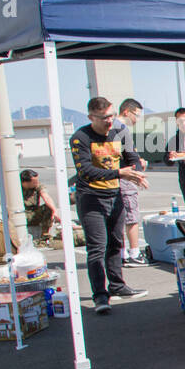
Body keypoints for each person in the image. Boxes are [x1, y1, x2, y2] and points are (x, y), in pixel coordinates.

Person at [69, 97, 149, 314]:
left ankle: (117, 285)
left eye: (112, 116)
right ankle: (100, 296)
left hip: (115, 195)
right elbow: (85, 171)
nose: (109, 121)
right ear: (91, 117)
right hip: (91, 198)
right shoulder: (80, 138)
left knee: (115, 243)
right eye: (104, 118)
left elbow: (131, 158)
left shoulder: (120, 133)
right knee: (97, 248)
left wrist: (136, 172)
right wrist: (120, 172)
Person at [115, 98, 148, 266]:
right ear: (126, 112)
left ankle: (121, 254)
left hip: (117, 177)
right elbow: (130, 155)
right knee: (131, 216)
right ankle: (134, 253)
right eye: (136, 115)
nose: (137, 119)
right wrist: (138, 170)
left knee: (120, 217)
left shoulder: (111, 128)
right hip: (126, 177)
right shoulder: (121, 128)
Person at [20, 170, 59, 241]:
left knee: (48, 208)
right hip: (22, 215)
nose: (37, 183)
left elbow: (46, 197)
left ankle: (44, 234)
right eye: (34, 182)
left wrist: (54, 211)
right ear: (25, 182)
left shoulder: (37, 186)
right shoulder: (15, 188)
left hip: (34, 213)